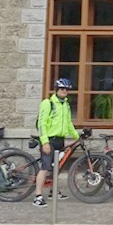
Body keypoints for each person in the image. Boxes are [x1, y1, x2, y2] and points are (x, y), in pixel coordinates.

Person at [34, 77, 80, 208]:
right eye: (62, 89)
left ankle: (52, 192)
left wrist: (77, 136)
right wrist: (45, 142)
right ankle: (37, 196)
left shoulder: (66, 105)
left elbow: (68, 123)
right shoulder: (48, 103)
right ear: (56, 89)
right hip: (49, 140)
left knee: (56, 168)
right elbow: (42, 124)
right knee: (45, 167)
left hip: (60, 140)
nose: (64, 91)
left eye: (67, 89)